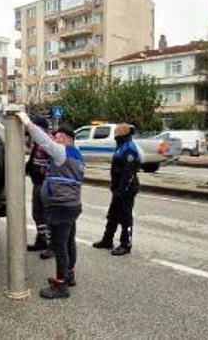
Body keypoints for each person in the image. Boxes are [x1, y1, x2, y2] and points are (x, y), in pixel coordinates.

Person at [17, 112, 84, 299]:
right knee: (69, 241)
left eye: (56, 137)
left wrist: (27, 122)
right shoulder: (78, 155)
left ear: (62, 138)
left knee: (59, 245)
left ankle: (61, 285)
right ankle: (69, 274)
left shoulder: (62, 152)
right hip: (72, 205)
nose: (53, 140)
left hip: (61, 207)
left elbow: (43, 140)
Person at [93, 124, 142, 256]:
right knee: (113, 214)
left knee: (125, 217)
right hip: (118, 188)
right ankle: (107, 240)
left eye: (117, 133)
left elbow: (128, 172)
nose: (115, 135)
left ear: (122, 134)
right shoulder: (121, 145)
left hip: (127, 188)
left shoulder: (129, 148)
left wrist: (122, 190)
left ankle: (126, 244)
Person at [25, 116, 53, 259]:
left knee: (47, 215)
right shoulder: (37, 143)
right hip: (37, 183)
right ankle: (41, 240)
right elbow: (32, 161)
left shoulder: (49, 142)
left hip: (47, 184)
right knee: (37, 214)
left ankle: (52, 245)